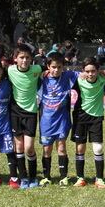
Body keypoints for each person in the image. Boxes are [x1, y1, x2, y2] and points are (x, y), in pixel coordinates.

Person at [33, 52, 80, 188]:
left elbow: (85, 73)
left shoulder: (68, 76)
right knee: (46, 149)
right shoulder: (41, 79)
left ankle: (63, 176)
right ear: (48, 66)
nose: (56, 70)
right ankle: (47, 177)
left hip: (62, 120)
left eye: (59, 67)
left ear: (63, 67)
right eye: (53, 67)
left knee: (61, 147)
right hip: (46, 120)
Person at [7, 43, 43, 189]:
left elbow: (55, 69)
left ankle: (33, 176)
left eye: (27, 58)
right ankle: (23, 178)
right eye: (21, 57)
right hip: (15, 112)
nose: (24, 60)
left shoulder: (37, 69)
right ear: (15, 59)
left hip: (31, 113)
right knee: (19, 146)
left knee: (29, 147)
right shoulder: (9, 70)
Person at [71, 57, 105, 188]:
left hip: (96, 117)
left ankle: (99, 178)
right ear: (83, 71)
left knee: (98, 148)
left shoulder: (103, 79)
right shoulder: (78, 80)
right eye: (87, 71)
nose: (90, 74)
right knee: (80, 148)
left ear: (97, 71)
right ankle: (80, 178)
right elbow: (64, 76)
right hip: (80, 117)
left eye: (93, 71)